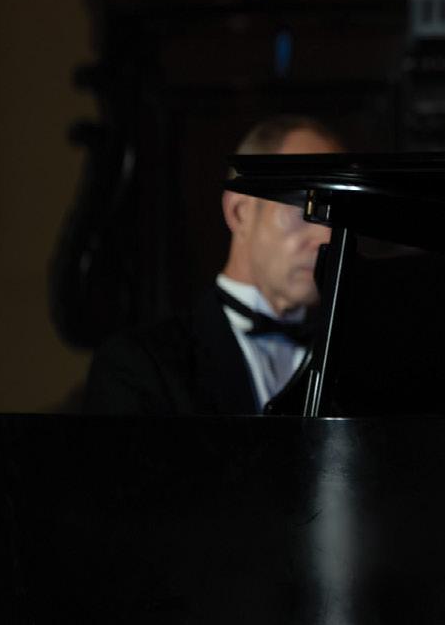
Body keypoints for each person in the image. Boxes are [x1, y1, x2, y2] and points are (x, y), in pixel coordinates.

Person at [83, 115, 343, 415]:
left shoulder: (354, 361)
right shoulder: (139, 365)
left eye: (337, 216)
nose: (327, 236)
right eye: (306, 210)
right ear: (240, 212)